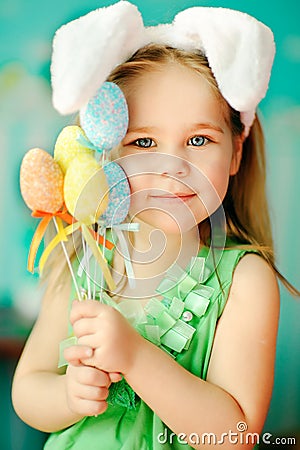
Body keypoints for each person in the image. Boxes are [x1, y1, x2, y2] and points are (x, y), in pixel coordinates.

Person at [11, 2, 299, 449]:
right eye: (143, 142)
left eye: (199, 140)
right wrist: (69, 395)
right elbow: (27, 389)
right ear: (106, 151)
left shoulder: (245, 279)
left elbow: (234, 437)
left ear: (237, 152)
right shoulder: (82, 263)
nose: (173, 166)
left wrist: (135, 357)